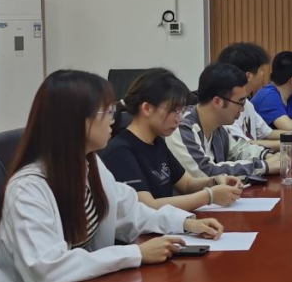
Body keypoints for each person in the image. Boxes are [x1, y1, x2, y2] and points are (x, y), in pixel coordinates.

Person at [0, 70, 223, 282]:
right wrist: (135, 254)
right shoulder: (28, 189)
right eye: (106, 112)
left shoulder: (89, 164)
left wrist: (186, 223)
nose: (113, 119)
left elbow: (131, 211)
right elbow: (47, 268)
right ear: (75, 121)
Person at [101, 68, 246, 211]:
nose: (179, 119)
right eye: (174, 111)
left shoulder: (157, 142)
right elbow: (147, 206)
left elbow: (187, 184)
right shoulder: (121, 151)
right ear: (147, 108)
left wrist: (215, 181)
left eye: (181, 111)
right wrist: (210, 196)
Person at [168, 62, 281, 179]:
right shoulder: (181, 127)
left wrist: (269, 156)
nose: (242, 109)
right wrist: (264, 166)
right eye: (241, 102)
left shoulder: (218, 129)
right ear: (217, 102)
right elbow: (205, 173)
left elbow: (240, 149)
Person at [218, 42, 292, 152]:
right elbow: (244, 145)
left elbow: (267, 133)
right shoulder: (227, 109)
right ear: (248, 76)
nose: (263, 74)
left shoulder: (247, 104)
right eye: (261, 69)